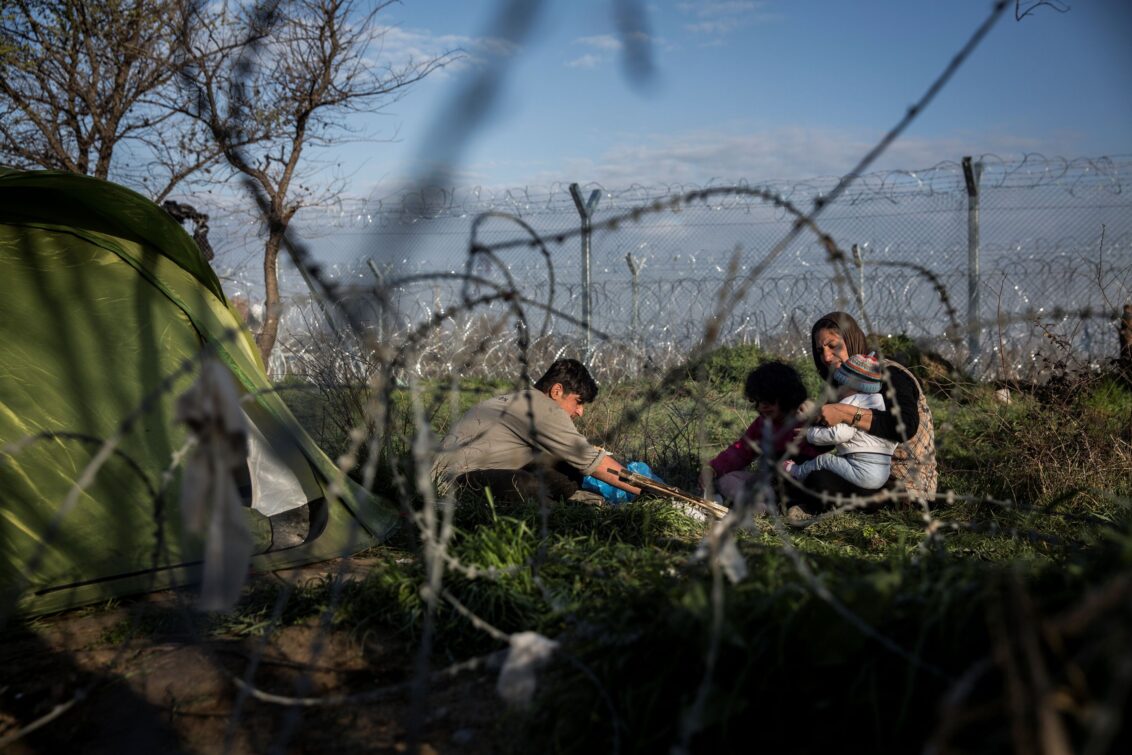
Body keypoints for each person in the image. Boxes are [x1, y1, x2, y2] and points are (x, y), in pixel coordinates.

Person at [433, 358, 640, 504]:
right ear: (557, 391)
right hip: (451, 484)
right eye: (578, 401)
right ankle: (560, 510)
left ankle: (559, 503)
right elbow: (593, 462)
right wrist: (649, 492)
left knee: (566, 471)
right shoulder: (541, 408)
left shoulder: (525, 400)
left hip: (479, 471)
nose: (580, 411)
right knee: (525, 486)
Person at [802, 311, 938, 507]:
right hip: (859, 469)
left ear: (851, 339)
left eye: (833, 346)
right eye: (820, 351)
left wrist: (844, 413)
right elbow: (840, 437)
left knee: (818, 480)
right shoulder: (843, 384)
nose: (826, 357)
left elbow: (905, 426)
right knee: (804, 469)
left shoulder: (889, 373)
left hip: (906, 483)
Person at [699, 361, 817, 506]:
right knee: (727, 480)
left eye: (768, 400)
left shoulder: (809, 419)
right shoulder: (762, 424)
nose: (762, 406)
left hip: (802, 483)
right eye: (758, 401)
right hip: (771, 485)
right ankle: (761, 507)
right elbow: (741, 451)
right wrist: (713, 468)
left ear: (787, 396)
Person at [785, 352, 896, 490]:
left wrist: (809, 434)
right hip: (882, 471)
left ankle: (796, 471)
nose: (837, 389)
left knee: (824, 460)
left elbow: (839, 434)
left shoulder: (851, 403)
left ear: (852, 385)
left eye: (840, 384)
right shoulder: (879, 404)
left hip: (863, 469)